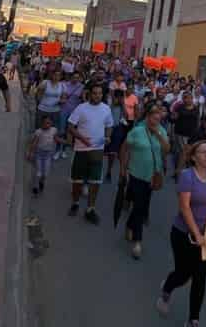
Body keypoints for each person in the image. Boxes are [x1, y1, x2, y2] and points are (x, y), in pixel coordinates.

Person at [156, 141, 206, 327]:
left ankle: (194, 319)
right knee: (183, 274)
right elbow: (185, 208)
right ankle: (168, 288)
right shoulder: (187, 176)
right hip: (183, 234)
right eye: (203, 152)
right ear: (193, 157)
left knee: (200, 277)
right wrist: (196, 234)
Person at [120, 102, 170, 259]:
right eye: (153, 113)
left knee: (141, 205)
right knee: (140, 207)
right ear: (147, 115)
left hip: (152, 176)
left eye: (159, 113)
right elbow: (125, 148)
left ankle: (129, 224)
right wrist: (123, 168)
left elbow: (166, 150)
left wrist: (158, 135)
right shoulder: (137, 131)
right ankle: (137, 241)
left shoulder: (162, 131)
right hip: (136, 174)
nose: (157, 115)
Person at [67, 84, 113, 225]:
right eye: (94, 93)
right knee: (77, 181)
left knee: (95, 182)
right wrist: (81, 138)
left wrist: (108, 137)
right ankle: (75, 203)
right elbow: (70, 126)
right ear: (89, 94)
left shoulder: (106, 109)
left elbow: (109, 125)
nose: (97, 96)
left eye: (100, 93)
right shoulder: (81, 108)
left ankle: (90, 209)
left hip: (97, 150)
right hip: (81, 150)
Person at [27, 115, 65, 196]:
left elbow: (56, 139)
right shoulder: (39, 132)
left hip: (48, 155)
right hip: (39, 155)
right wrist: (30, 153)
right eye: (44, 123)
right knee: (38, 172)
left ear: (51, 123)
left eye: (48, 123)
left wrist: (64, 142)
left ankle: (41, 182)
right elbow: (34, 143)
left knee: (45, 173)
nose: (46, 125)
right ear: (41, 124)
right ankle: (35, 187)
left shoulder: (53, 130)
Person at [54, 71, 84, 160]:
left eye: (77, 77)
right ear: (71, 77)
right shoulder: (64, 84)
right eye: (74, 77)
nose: (75, 79)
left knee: (69, 132)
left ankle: (63, 150)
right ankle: (57, 150)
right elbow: (59, 95)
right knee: (61, 130)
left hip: (74, 112)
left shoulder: (81, 86)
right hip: (63, 110)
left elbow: (83, 98)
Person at [172, 92, 200, 179]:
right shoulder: (179, 107)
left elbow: (198, 120)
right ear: (183, 99)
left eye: (190, 98)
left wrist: (198, 131)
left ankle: (182, 171)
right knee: (181, 152)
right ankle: (178, 172)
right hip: (180, 133)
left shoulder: (196, 108)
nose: (188, 100)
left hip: (192, 134)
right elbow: (174, 118)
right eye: (186, 98)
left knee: (187, 153)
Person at [104, 89, 126, 182]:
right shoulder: (108, 105)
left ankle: (109, 171)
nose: (119, 99)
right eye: (117, 97)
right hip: (106, 129)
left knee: (113, 152)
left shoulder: (121, 106)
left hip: (117, 129)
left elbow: (125, 116)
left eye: (121, 97)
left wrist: (123, 105)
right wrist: (113, 103)